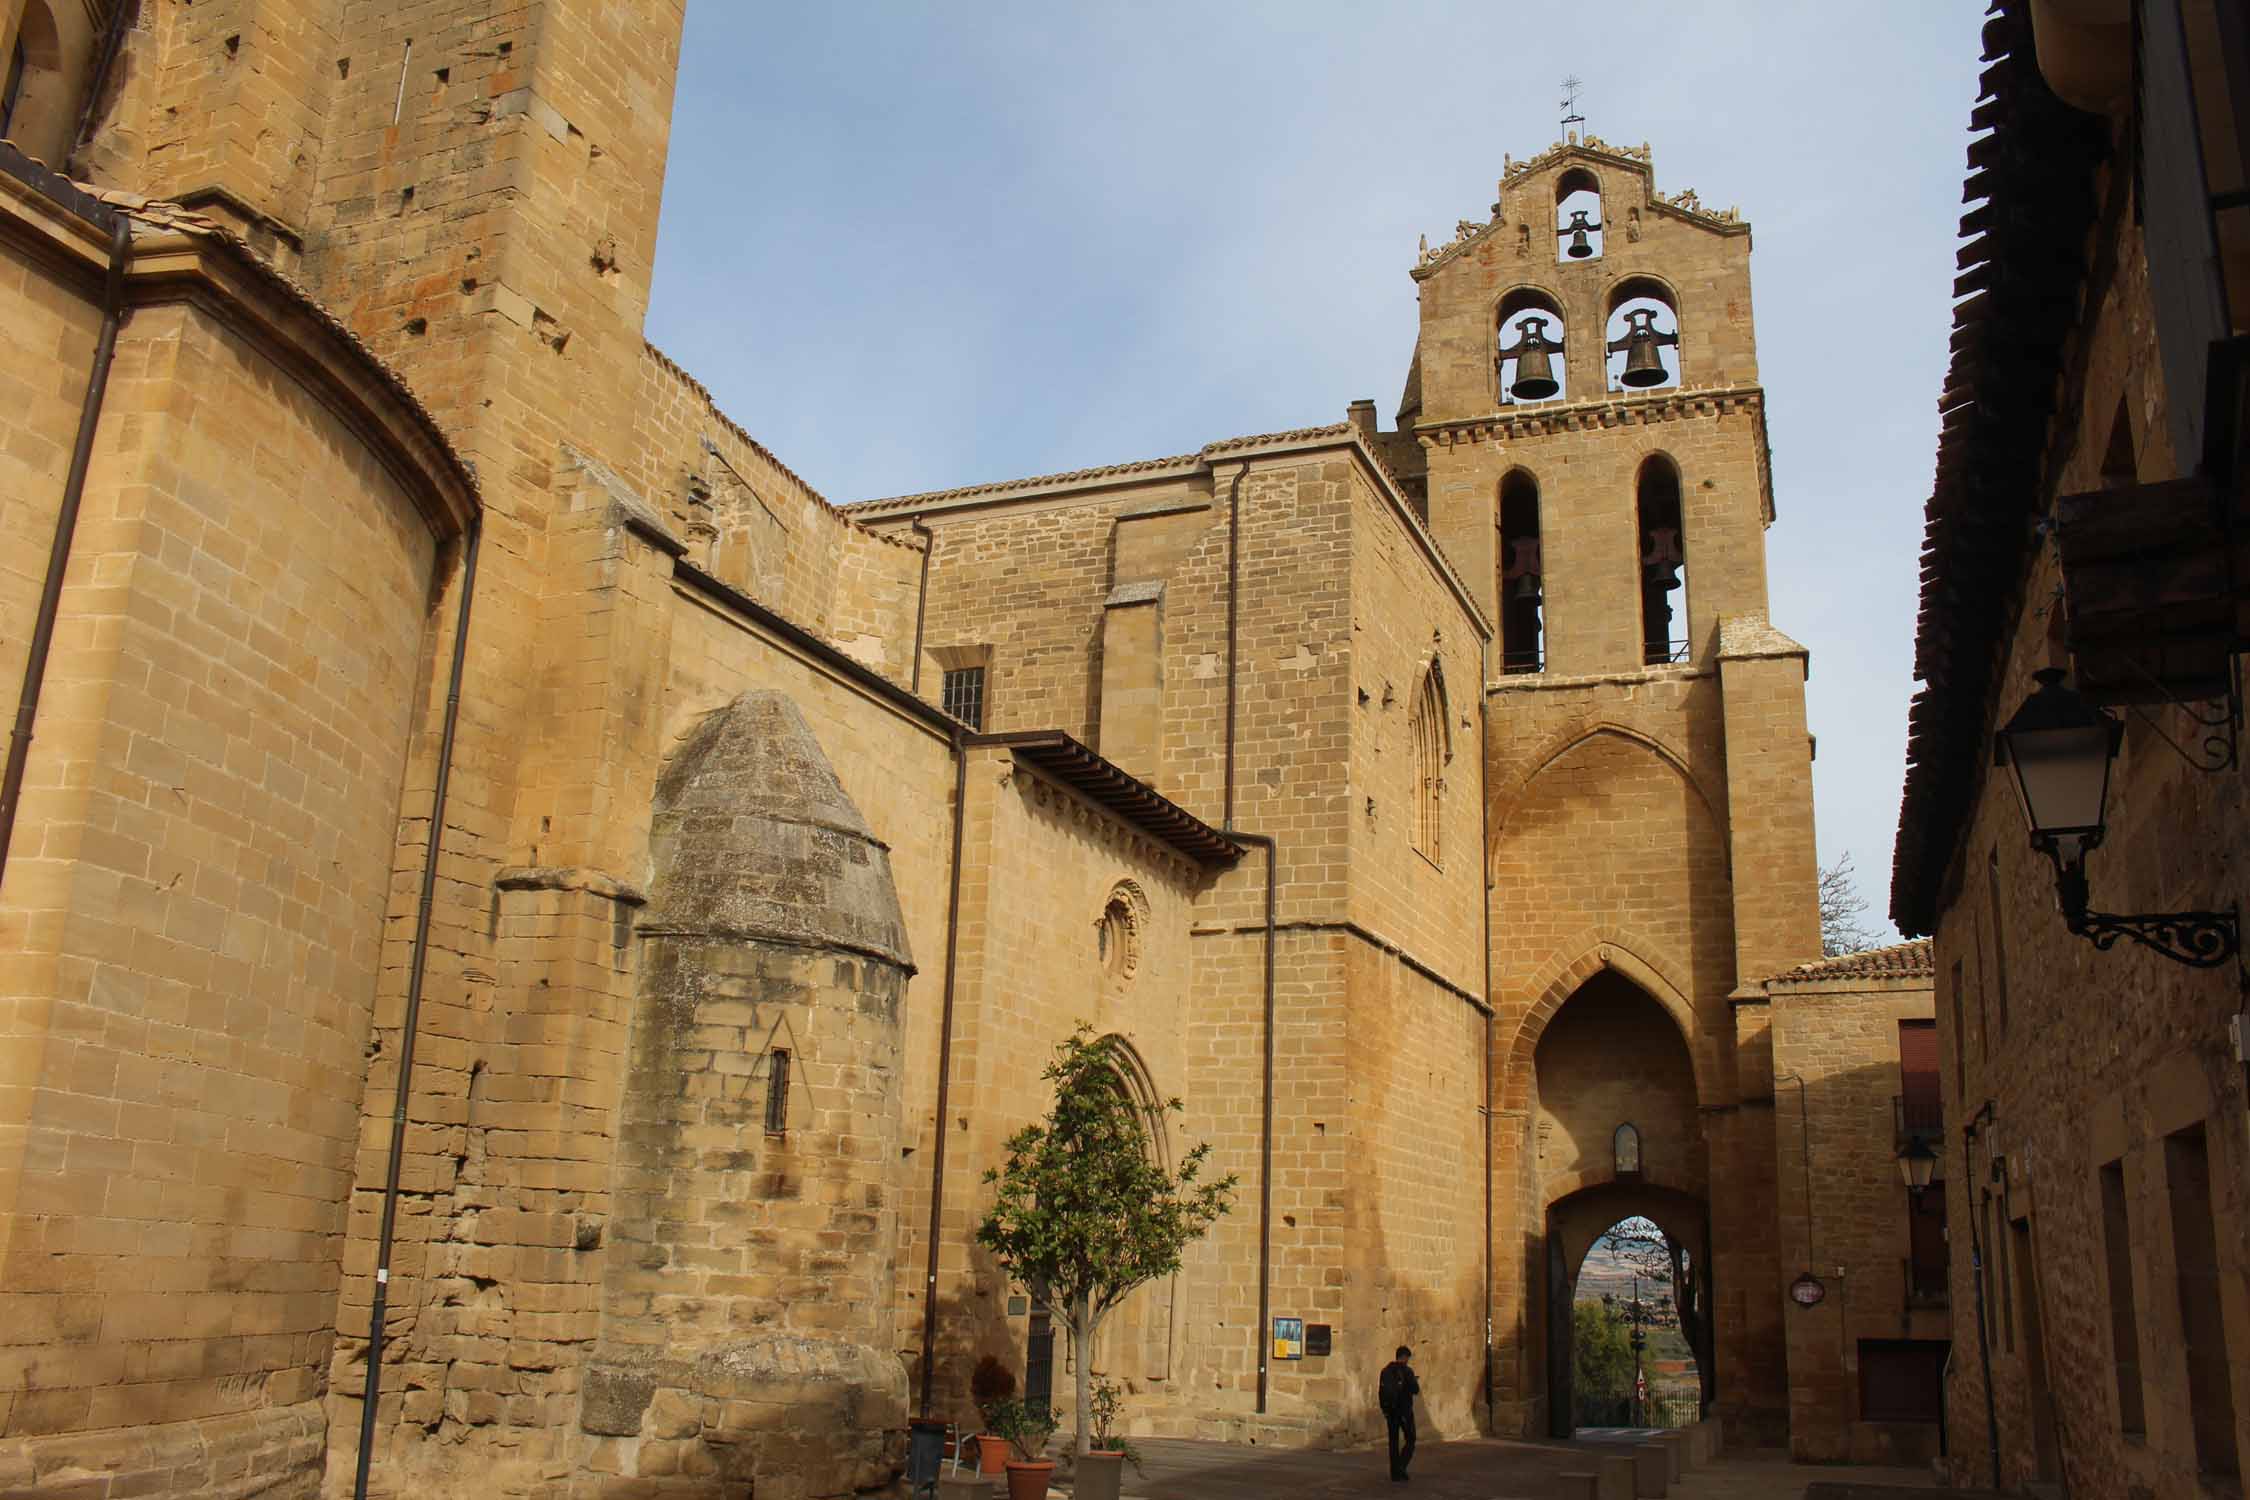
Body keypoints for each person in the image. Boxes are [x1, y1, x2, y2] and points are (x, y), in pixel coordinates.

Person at [1377, 1344, 1420, 1481]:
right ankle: (1401, 1466)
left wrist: (1384, 1409)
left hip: (1391, 1411)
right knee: (1411, 1439)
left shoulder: (1385, 1371)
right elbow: (1415, 1389)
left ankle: (1394, 1472)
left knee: (1393, 1442)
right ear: (1405, 1357)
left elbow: (1381, 1392)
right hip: (1404, 1411)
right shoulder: (1407, 1371)